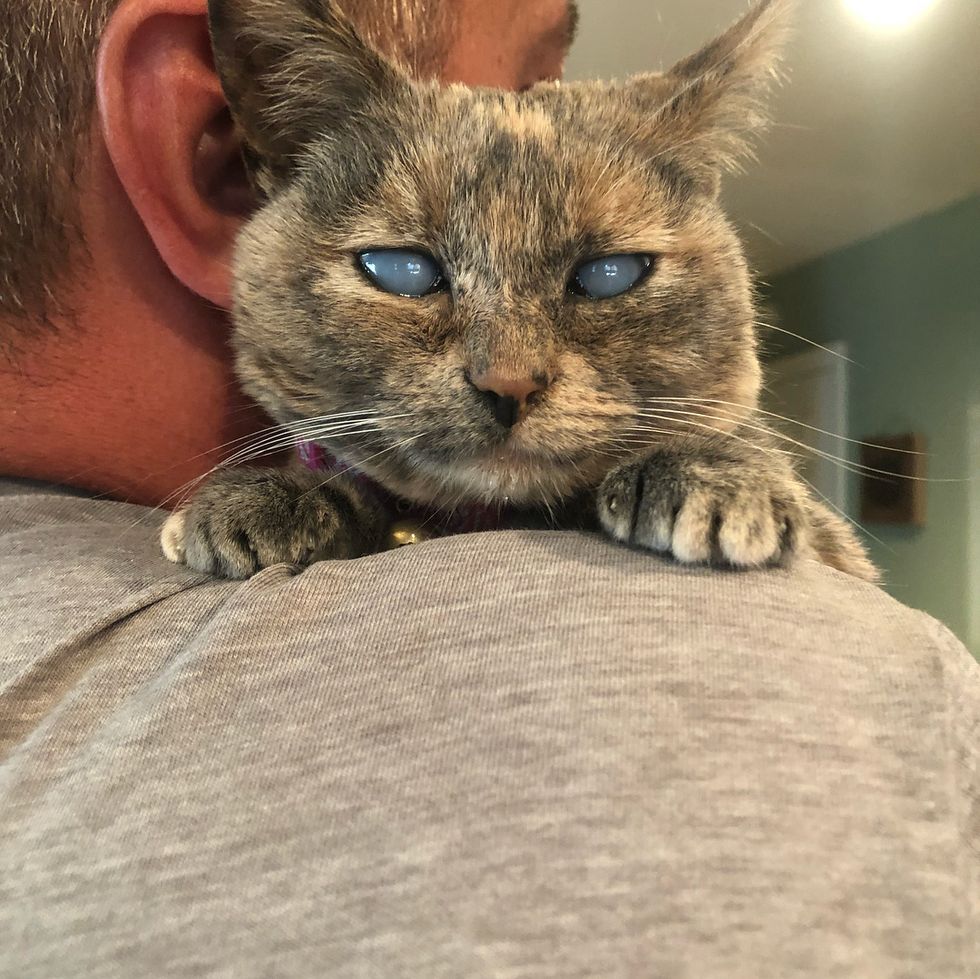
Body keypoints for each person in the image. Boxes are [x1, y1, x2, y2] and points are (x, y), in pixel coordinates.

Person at [0, 1, 977, 976]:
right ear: (218, 152)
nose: (507, 372)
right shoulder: (874, 702)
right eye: (404, 270)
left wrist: (716, 457)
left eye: (607, 275)